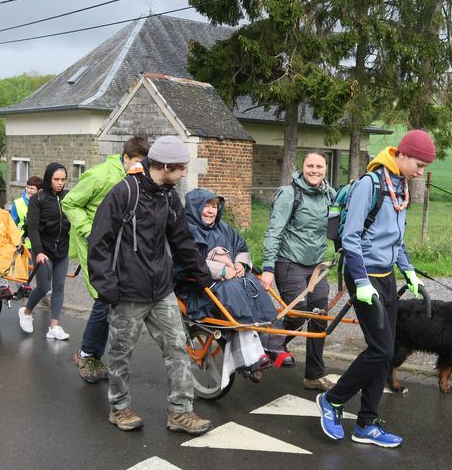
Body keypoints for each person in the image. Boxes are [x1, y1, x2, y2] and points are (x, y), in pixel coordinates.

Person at [316, 129, 435, 448]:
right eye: (419, 165)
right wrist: (363, 281)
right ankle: (332, 399)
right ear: (403, 155)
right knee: (380, 349)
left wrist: (409, 273)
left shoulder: (401, 186)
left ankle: (366, 423)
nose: (421, 172)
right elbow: (352, 238)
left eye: (424, 167)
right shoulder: (369, 186)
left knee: (385, 352)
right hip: (363, 275)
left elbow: (396, 240)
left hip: (385, 277)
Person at [88, 135, 214, 435]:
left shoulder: (170, 196)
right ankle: (119, 408)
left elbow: (182, 240)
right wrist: (107, 287)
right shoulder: (123, 193)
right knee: (121, 354)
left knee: (178, 349)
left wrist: (205, 276)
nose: (184, 174)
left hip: (161, 290)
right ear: (166, 165)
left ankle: (180, 413)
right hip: (128, 292)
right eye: (181, 168)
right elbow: (99, 242)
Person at [63, 137, 150, 384]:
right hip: (94, 245)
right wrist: (91, 230)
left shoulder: (139, 179)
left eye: (143, 164)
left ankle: (91, 353)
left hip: (118, 247)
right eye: (136, 162)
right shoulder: (100, 175)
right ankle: (86, 354)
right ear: (125, 158)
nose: (139, 168)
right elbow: (70, 203)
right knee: (104, 298)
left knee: (110, 301)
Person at [180, 188, 290, 379]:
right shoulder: (186, 231)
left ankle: (274, 347)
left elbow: (241, 247)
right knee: (235, 292)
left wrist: (240, 264)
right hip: (201, 287)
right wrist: (222, 271)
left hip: (232, 282)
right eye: (205, 206)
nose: (210, 211)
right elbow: (189, 261)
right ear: (194, 207)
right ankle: (250, 358)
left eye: (214, 206)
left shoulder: (224, 228)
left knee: (255, 286)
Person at [261, 150, 336, 390]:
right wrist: (268, 267)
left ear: (326, 169)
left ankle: (313, 375)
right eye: (310, 166)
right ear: (302, 167)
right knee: (298, 314)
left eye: (319, 167)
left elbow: (339, 228)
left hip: (317, 266)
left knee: (319, 317)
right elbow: (274, 231)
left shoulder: (331, 196)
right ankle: (264, 351)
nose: (315, 171)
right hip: (289, 262)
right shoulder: (289, 194)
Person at [18, 163, 71, 340]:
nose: (60, 183)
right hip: (43, 250)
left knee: (59, 287)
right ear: (49, 178)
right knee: (44, 286)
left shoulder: (68, 197)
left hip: (62, 250)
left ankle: (54, 327)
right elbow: (32, 228)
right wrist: (38, 251)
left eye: (63, 179)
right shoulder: (38, 199)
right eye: (56, 179)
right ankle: (26, 312)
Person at [0, 192, 28, 299]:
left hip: (5, 246)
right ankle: (3, 287)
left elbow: (12, 231)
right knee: (4, 258)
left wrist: (17, 244)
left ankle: (22, 285)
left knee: (18, 255)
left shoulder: (3, 214)